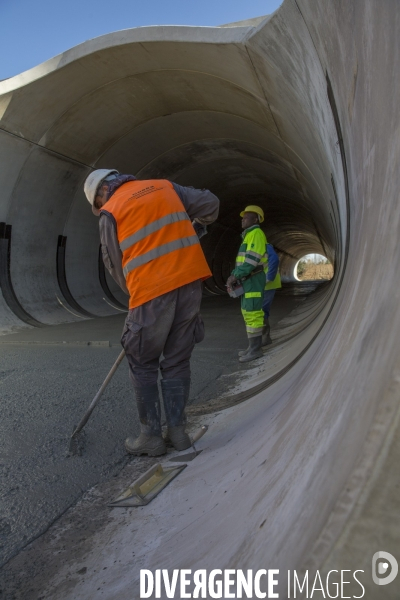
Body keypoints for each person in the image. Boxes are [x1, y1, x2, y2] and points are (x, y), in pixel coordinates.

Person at [83, 169, 219, 457]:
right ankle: (179, 434)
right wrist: (194, 226)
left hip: (151, 291)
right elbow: (211, 205)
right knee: (177, 359)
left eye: (98, 202)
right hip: (191, 282)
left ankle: (151, 437)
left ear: (102, 192)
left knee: (142, 359)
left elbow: (114, 263)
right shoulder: (165, 187)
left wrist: (135, 295)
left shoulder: (111, 211)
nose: (100, 207)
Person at [226, 205, 267, 363]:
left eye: (246, 217)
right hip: (248, 279)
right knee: (247, 311)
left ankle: (256, 349)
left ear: (255, 219)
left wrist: (234, 275)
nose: (242, 219)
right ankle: (252, 347)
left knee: (253, 312)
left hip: (253, 278)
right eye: (243, 217)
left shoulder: (256, 234)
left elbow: (251, 261)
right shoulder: (248, 235)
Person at [261, 243, 282, 346]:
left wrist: (269, 277)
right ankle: (263, 338)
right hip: (261, 284)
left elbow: (275, 260)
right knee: (260, 311)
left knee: (262, 311)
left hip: (267, 284)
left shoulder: (264, 245)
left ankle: (264, 338)